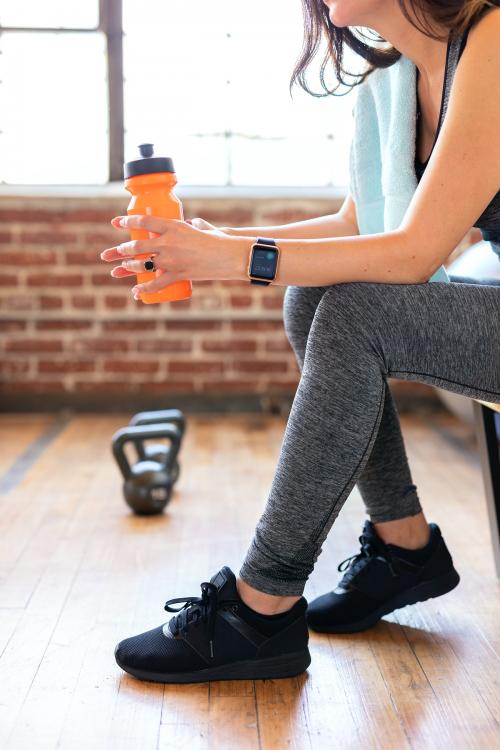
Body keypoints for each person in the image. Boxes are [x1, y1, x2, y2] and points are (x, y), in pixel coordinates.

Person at [101, 0, 500, 684]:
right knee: (313, 296)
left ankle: (261, 605)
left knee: (354, 313)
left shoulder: (493, 39)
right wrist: (219, 245)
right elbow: (358, 224)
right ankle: (403, 546)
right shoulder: (397, 81)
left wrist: (236, 259)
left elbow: (412, 254)